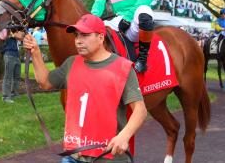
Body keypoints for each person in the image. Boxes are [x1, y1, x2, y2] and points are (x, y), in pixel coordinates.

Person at [23, 14, 147, 162]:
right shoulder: (71, 63)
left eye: (85, 35)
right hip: (73, 155)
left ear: (101, 38)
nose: (78, 41)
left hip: (107, 158)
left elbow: (140, 109)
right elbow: (45, 82)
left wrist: (124, 136)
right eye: (76, 36)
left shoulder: (122, 67)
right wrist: (35, 51)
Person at [0, 30, 23, 103]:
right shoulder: (5, 29)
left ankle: (14, 93)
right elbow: (2, 36)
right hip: (9, 54)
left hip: (16, 55)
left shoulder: (14, 29)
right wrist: (15, 34)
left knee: (17, 76)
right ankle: (5, 97)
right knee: (8, 76)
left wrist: (14, 34)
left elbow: (22, 37)